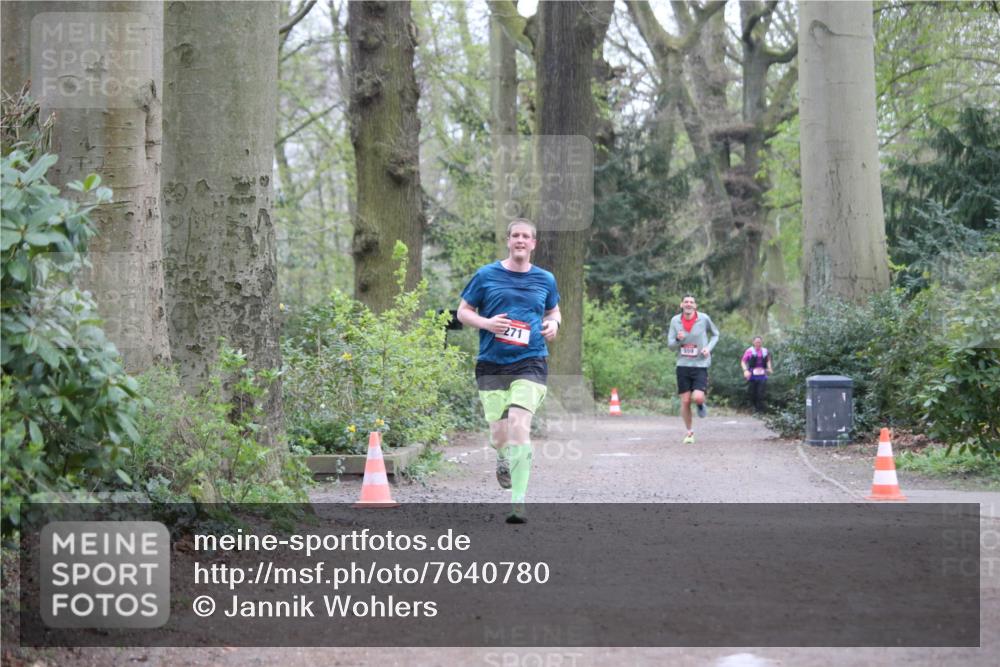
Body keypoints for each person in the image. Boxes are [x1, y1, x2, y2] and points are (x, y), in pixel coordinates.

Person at [456, 219, 561, 524]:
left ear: (533, 244)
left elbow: (553, 310)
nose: (520, 240)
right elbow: (463, 311)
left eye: (526, 236)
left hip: (531, 360)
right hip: (491, 363)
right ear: (508, 240)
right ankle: (502, 457)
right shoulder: (486, 275)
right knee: (499, 435)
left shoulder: (545, 279)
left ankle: (518, 503)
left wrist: (554, 324)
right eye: (515, 235)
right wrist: (487, 323)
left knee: (518, 425)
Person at [667, 295, 719, 444]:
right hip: (683, 365)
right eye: (686, 302)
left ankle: (701, 404)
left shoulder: (704, 318)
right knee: (685, 401)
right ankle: (689, 432)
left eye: (691, 302)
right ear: (681, 305)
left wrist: (708, 348)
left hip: (700, 364)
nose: (688, 304)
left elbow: (716, 335)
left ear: (695, 306)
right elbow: (670, 346)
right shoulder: (675, 321)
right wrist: (678, 339)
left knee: (697, 397)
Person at [741, 336, 773, 413]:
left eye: (759, 342)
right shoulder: (749, 351)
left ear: (761, 342)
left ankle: (760, 410)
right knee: (752, 392)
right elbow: (743, 361)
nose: (758, 343)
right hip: (752, 374)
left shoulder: (765, 351)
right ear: (753, 342)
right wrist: (745, 370)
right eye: (756, 342)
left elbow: (768, 360)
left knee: (761, 393)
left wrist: (769, 368)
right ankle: (752, 408)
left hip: (762, 374)